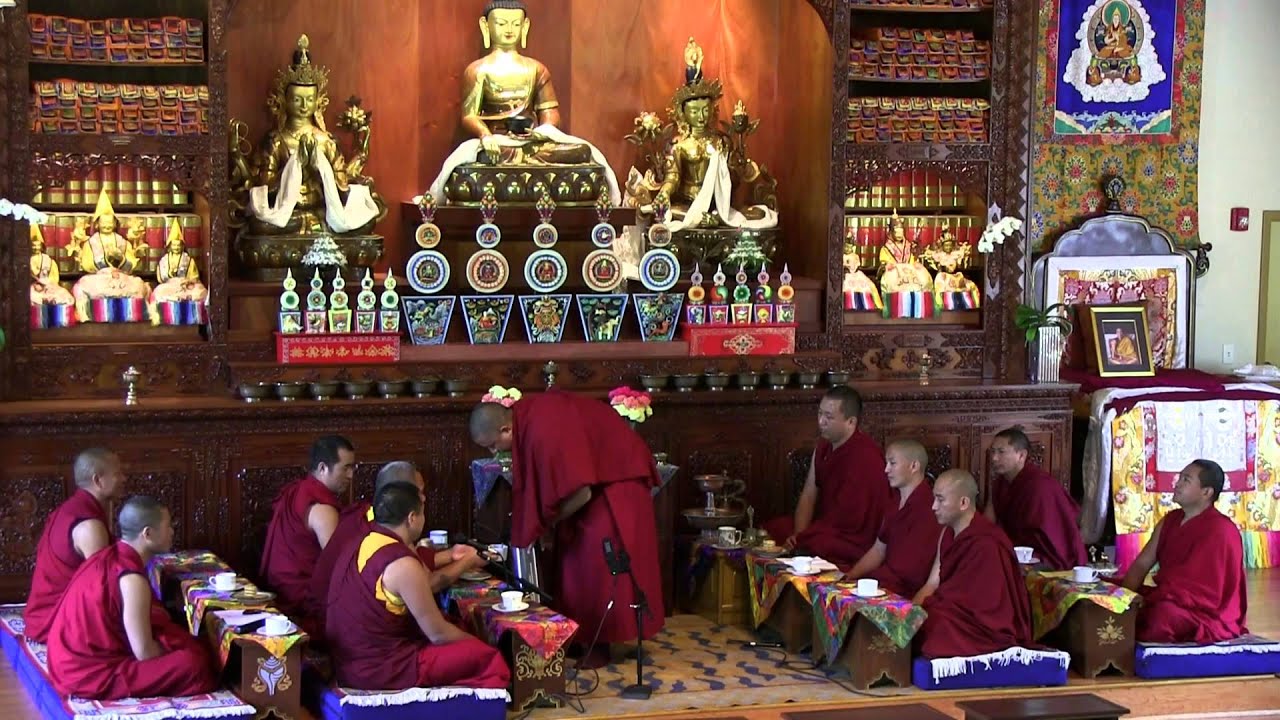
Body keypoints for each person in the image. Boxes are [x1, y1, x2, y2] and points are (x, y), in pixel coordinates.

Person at [469, 388, 665, 669]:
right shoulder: (530, 418)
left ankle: (602, 643)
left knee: (595, 566)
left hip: (617, 483)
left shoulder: (540, 428)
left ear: (505, 428)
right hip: (601, 481)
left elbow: (581, 492)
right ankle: (585, 637)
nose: (494, 451)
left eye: (492, 444)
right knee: (575, 564)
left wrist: (548, 523)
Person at [325, 481, 510, 691]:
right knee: (486, 657)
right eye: (422, 513)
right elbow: (438, 634)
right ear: (412, 518)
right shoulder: (402, 564)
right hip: (384, 669)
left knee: (458, 627)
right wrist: (477, 644)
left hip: (349, 661)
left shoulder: (363, 541)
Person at [47, 496, 216, 700]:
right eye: (168, 526)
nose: (172, 531)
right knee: (194, 664)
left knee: (179, 640)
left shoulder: (108, 555)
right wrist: (171, 653)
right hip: (89, 675)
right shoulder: (131, 579)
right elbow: (144, 653)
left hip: (62, 662)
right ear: (148, 534)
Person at [309, 461, 485, 625]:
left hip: (345, 622)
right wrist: (467, 562)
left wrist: (450, 555)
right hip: (340, 625)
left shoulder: (374, 517)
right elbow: (425, 583)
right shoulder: (378, 527)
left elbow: (404, 558)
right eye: (420, 492)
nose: (423, 499)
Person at [1121, 459, 1248, 643]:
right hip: (1168, 597)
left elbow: (1213, 594)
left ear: (1206, 492)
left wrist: (1154, 600)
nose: (1177, 484)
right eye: (1179, 478)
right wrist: (1124, 599)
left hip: (1204, 612)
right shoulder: (1170, 520)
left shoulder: (1222, 530)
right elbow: (1142, 563)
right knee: (1106, 590)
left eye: (1186, 480)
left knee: (1161, 617)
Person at [763, 386, 889, 569]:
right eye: (820, 413)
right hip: (825, 527)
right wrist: (799, 535)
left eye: (829, 417)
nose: (821, 421)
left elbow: (850, 520)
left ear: (851, 422)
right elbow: (808, 495)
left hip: (852, 538)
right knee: (773, 529)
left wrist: (803, 539)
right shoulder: (822, 447)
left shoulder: (866, 457)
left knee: (818, 544)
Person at [913, 470, 1033, 658]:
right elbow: (932, 583)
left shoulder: (987, 543)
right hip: (955, 613)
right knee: (923, 618)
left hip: (985, 626)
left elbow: (986, 605)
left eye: (940, 499)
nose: (933, 506)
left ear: (963, 503)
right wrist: (910, 612)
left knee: (938, 624)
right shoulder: (947, 534)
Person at [25, 448, 125, 643]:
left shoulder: (72, 508)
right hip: (57, 621)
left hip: (42, 612)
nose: (124, 478)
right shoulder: (89, 526)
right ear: (98, 480)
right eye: (118, 473)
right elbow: (104, 588)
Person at [260, 435, 354, 628]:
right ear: (322, 468)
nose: (351, 475)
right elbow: (339, 566)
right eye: (346, 468)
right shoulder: (322, 509)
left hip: (277, 587)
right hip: (301, 598)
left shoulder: (300, 490)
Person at [843, 439, 941, 598]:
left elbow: (915, 570)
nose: (886, 469)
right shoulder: (894, 502)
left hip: (905, 590)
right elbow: (878, 549)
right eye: (887, 463)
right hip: (883, 581)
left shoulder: (930, 507)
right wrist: (850, 575)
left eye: (892, 463)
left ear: (914, 466)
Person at [984, 428, 1087, 571]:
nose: (994, 458)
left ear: (1021, 455)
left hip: (1048, 556)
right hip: (1016, 551)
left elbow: (1052, 536)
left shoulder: (1040, 486)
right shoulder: (1000, 483)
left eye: (1001, 452)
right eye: (993, 452)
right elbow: (989, 523)